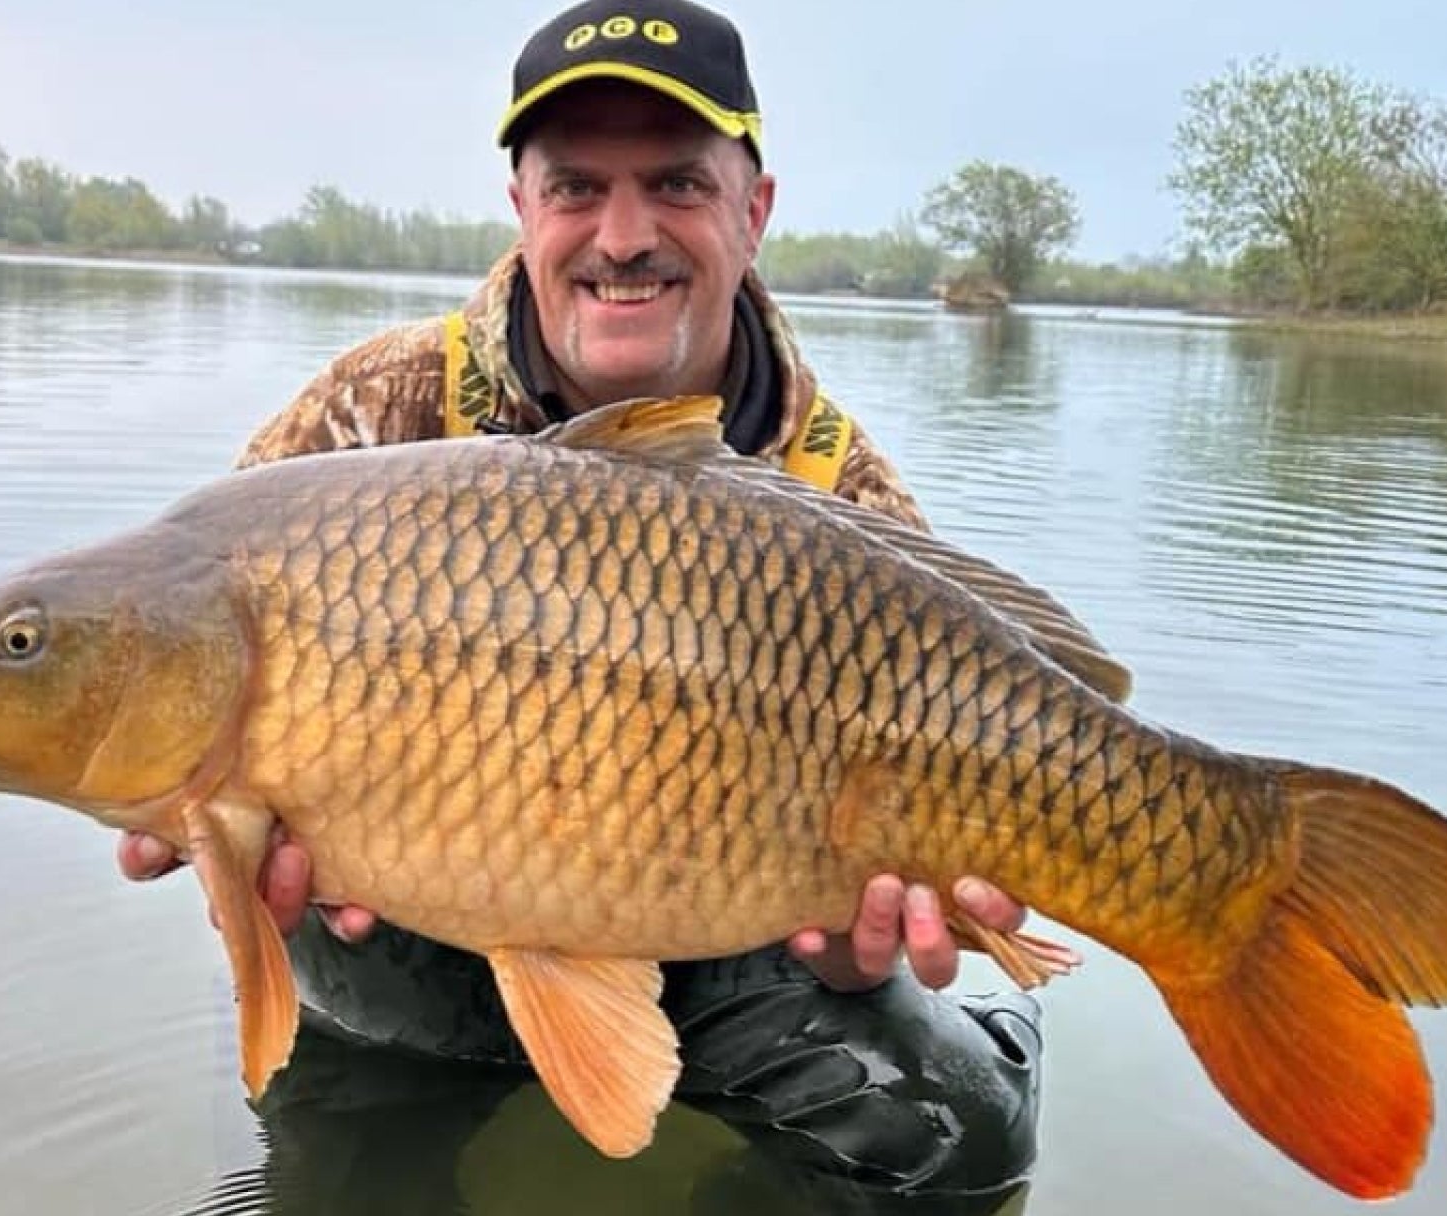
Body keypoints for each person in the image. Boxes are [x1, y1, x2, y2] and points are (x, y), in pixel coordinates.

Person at [126, 2, 1074, 1208]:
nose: (622, 236)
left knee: (963, 1143)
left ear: (754, 211)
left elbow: (906, 876)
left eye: (676, 182)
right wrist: (186, 810)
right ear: (523, 208)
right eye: (576, 187)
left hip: (725, 924)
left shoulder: (841, 491)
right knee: (353, 1155)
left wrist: (859, 930)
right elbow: (177, 672)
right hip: (402, 928)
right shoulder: (369, 417)